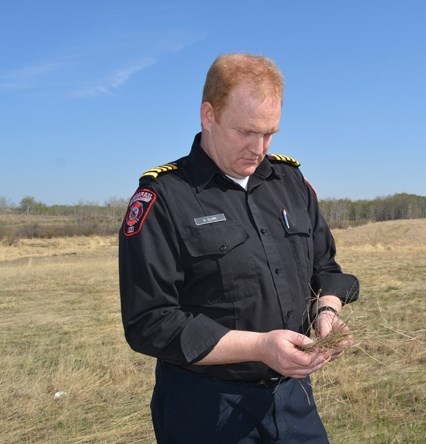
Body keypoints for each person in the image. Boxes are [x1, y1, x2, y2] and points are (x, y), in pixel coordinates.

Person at [119, 53, 359, 443]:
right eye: (246, 131)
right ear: (208, 115)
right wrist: (260, 346)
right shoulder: (163, 198)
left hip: (293, 399)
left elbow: (326, 270)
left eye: (270, 133)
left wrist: (327, 311)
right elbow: (149, 321)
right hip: (205, 407)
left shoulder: (291, 183)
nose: (259, 147)